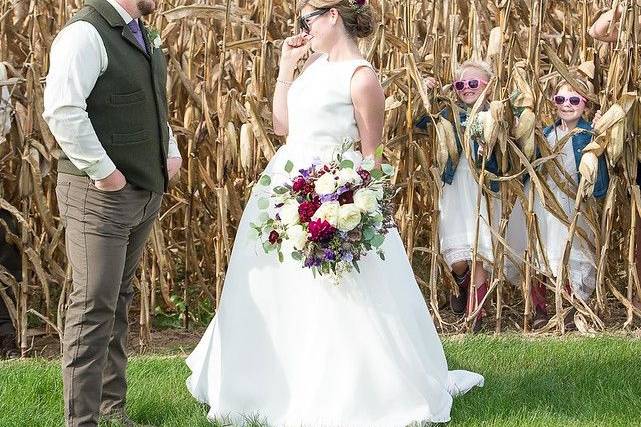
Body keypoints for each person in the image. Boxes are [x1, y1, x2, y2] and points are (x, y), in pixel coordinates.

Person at [186, 1, 483, 425]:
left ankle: (350, 387)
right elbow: (283, 126)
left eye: (307, 18)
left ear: (332, 17)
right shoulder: (313, 67)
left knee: (338, 295)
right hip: (284, 190)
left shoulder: (361, 78)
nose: (302, 28)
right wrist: (286, 67)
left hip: (334, 197)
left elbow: (371, 155)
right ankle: (262, 383)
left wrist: (354, 206)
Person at [42, 0, 182, 425]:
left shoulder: (141, 32)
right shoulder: (84, 34)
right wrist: (105, 174)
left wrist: (169, 150)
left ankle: (111, 412)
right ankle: (81, 422)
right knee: (92, 307)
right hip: (99, 195)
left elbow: (151, 102)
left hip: (143, 192)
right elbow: (63, 110)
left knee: (117, 301)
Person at [416, 60, 500, 332]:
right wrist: (427, 95)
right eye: (460, 85)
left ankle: (475, 311)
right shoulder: (449, 113)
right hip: (454, 186)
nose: (466, 89)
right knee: (458, 257)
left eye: (473, 84)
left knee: (478, 248)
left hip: (483, 188)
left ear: (489, 86)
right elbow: (419, 124)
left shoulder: (497, 116)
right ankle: (461, 284)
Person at [529, 79, 609, 330]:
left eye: (574, 100)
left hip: (575, 205)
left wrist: (601, 134)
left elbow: (600, 181)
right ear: (553, 103)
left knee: (573, 251)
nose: (567, 105)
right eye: (560, 100)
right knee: (542, 251)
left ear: (585, 104)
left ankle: (572, 306)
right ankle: (539, 309)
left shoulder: (590, 135)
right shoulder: (546, 134)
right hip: (547, 204)